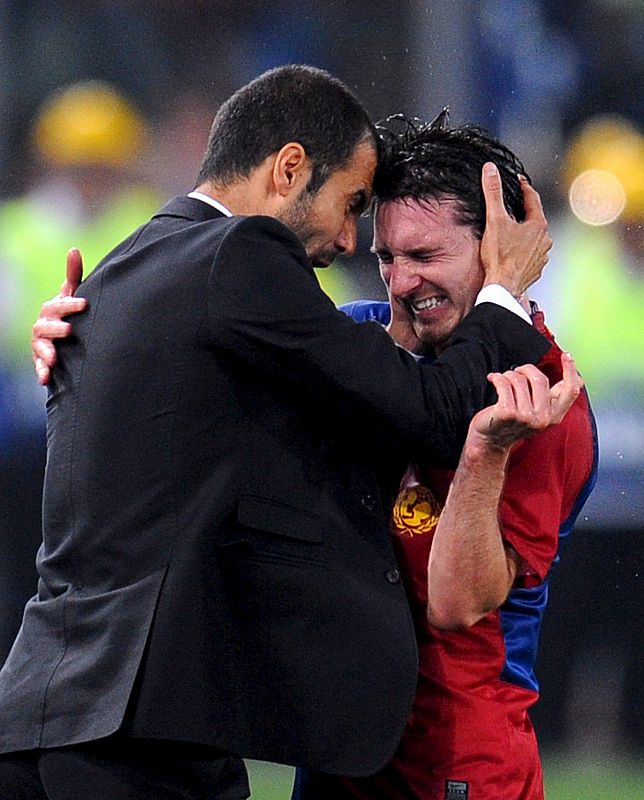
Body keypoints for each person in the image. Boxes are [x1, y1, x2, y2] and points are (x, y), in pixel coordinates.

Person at [5, 66, 570, 800]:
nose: (344, 236)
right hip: (141, 738)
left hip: (39, 716)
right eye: (350, 205)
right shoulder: (241, 255)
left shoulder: (117, 273)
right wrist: (504, 291)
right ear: (289, 168)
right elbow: (432, 411)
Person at [294, 113, 598, 800]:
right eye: (385, 259)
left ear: (500, 253)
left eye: (425, 258)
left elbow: (458, 604)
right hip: (339, 757)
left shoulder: (544, 401)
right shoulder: (360, 343)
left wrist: (486, 451)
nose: (400, 283)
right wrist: (82, 340)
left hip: (458, 765)